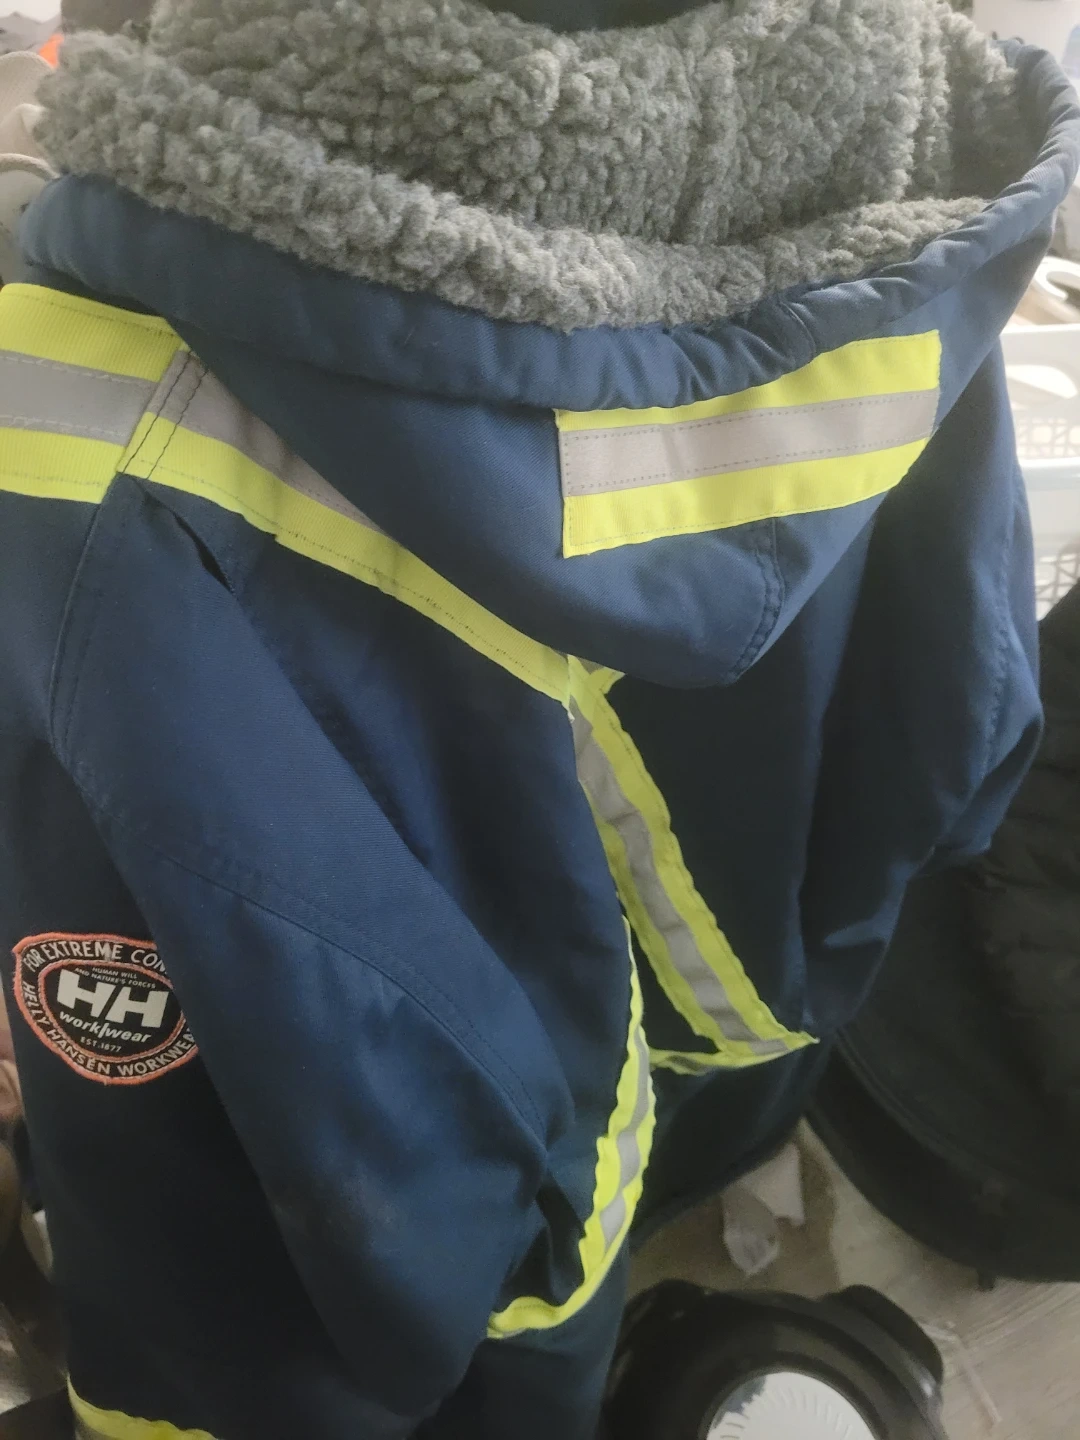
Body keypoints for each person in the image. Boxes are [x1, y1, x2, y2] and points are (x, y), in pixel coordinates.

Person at [0, 2, 1077, 1437]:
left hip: (496, 1209)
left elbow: (220, 1188)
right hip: (769, 980)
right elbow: (973, 688)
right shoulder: (904, 129)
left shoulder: (81, 419)